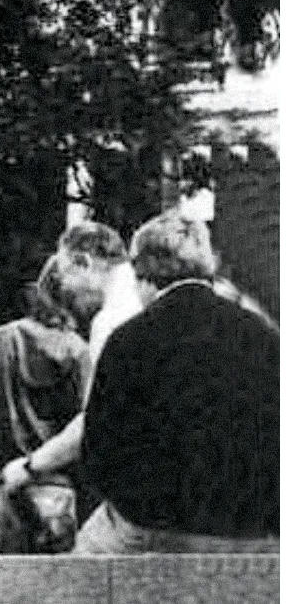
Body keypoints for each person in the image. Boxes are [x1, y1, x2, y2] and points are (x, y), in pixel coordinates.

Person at [75, 210, 279, 554]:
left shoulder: (129, 340)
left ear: (143, 276)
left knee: (82, 558)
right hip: (255, 529)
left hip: (158, 526)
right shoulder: (264, 336)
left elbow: (98, 454)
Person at [0, 257, 89, 554]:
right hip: (61, 496)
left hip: (8, 492)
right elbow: (88, 428)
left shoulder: (2, 341)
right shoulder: (79, 352)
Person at [0, 222, 142, 495]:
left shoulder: (112, 320)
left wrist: (29, 467)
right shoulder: (148, 295)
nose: (65, 289)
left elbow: (95, 421)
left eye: (65, 274)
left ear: (83, 262)